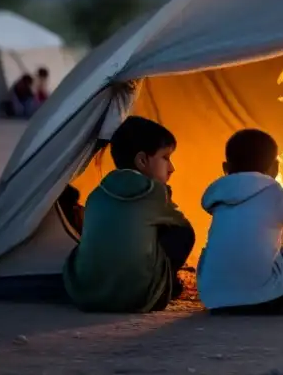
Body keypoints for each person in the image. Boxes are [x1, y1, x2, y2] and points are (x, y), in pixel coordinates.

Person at [63, 116, 195, 312]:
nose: (171, 168)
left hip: (85, 295)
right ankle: (162, 287)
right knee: (182, 233)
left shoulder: (96, 194)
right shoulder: (155, 193)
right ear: (142, 160)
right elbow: (184, 230)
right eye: (165, 158)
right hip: (136, 299)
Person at [197, 128, 283, 315]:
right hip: (263, 298)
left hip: (215, 298)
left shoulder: (218, 200)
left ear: (226, 169)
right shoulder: (275, 197)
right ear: (275, 168)